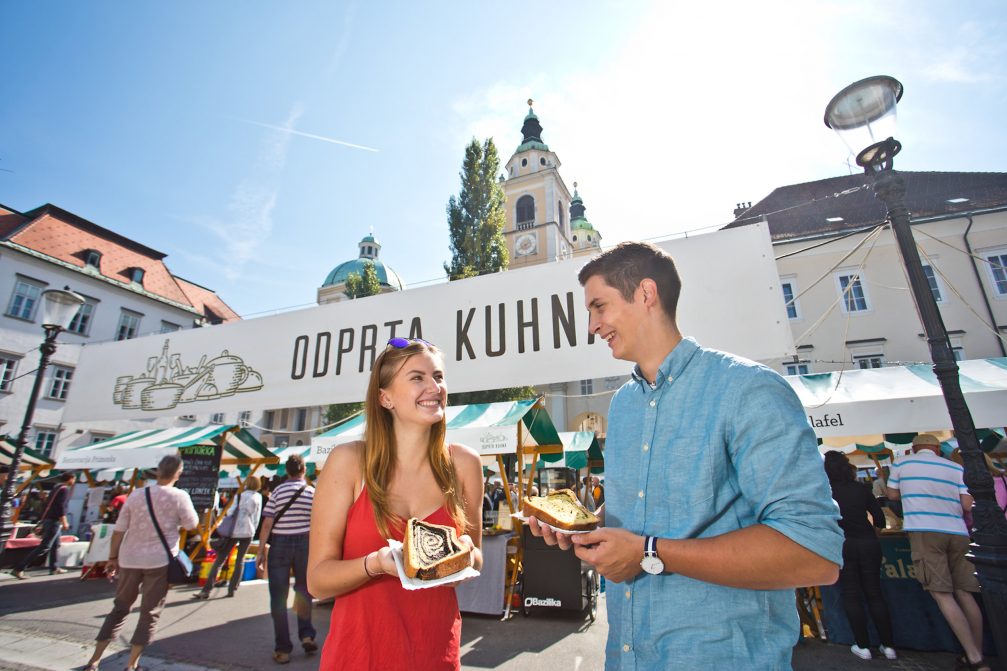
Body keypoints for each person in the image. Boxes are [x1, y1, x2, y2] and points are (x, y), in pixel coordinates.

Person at [529, 241, 843, 669]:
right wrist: (587, 527)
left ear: (645, 294)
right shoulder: (623, 405)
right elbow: (644, 518)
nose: (591, 326)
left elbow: (813, 554)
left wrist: (647, 551)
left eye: (599, 307)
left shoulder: (748, 388)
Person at [307, 338, 483, 671]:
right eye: (417, 378)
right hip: (359, 657)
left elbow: (476, 555)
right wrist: (376, 564)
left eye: (439, 376)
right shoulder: (348, 462)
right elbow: (317, 580)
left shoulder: (465, 464)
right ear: (385, 397)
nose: (434, 387)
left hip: (437, 657)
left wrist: (461, 556)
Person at [82, 454, 198, 671]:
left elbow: (119, 530)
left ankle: (94, 660)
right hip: (159, 560)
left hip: (129, 557)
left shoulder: (137, 495)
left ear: (158, 471)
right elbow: (191, 524)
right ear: (178, 472)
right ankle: (132, 663)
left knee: (120, 608)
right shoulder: (179, 496)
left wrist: (112, 557)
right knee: (150, 612)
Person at [887, 434, 989, 671]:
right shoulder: (954, 467)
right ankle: (975, 652)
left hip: (925, 530)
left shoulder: (902, 463)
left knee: (942, 593)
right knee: (965, 592)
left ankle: (975, 658)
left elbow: (892, 495)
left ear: (914, 449)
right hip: (958, 531)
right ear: (936, 449)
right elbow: (967, 504)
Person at [823, 451, 896, 660]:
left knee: (851, 594)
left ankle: (862, 645)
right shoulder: (860, 488)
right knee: (875, 593)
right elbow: (880, 520)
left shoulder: (826, 493)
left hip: (843, 545)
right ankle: (888, 645)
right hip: (868, 543)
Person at [256, 455, 317, 664]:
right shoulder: (311, 492)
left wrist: (261, 549)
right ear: (303, 471)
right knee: (303, 590)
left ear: (287, 471)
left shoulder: (278, 492)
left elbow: (267, 523)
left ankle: (282, 648)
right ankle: (306, 634)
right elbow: (317, 522)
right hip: (304, 545)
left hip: (280, 543)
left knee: (278, 596)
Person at [194, 475, 263, 599]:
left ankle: (207, 589)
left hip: (233, 531)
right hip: (248, 531)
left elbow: (230, 512)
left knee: (220, 559)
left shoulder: (239, 496)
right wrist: (253, 529)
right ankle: (232, 588)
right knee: (240, 560)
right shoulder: (258, 497)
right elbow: (256, 517)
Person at [11, 471, 76, 578]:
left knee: (55, 544)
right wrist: (64, 521)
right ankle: (19, 568)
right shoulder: (64, 489)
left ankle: (54, 567)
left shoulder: (56, 488)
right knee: (45, 546)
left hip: (49, 519)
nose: (73, 482)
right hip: (54, 521)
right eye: (73, 479)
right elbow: (60, 507)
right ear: (70, 479)